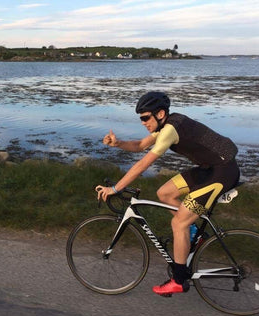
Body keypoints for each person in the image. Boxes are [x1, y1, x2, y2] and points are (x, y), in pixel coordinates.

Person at [95, 91, 240, 296]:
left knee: (178, 222)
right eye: (141, 118)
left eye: (146, 117)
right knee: (164, 193)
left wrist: (115, 188)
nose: (143, 122)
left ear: (160, 113)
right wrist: (117, 143)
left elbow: (143, 164)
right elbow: (140, 146)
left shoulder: (170, 129)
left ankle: (179, 280)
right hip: (210, 168)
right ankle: (193, 236)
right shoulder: (166, 125)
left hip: (223, 172)